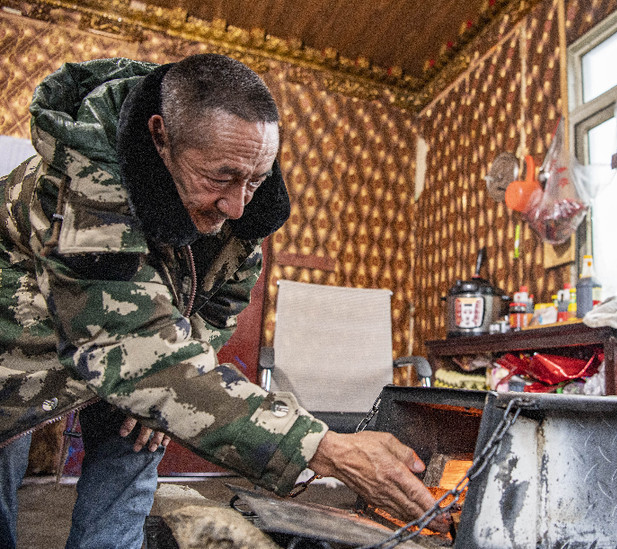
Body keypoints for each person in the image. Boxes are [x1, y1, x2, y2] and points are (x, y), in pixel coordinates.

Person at [0, 54, 446, 549]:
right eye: (220, 178)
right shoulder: (80, 188)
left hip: (125, 340)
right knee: (8, 445)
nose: (237, 207)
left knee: (144, 425)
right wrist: (326, 449)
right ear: (160, 137)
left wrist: (171, 382)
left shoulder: (242, 211)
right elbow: (127, 345)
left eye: (255, 181)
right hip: (18, 347)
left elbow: (215, 311)